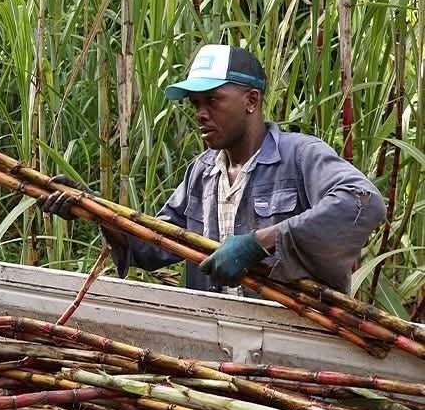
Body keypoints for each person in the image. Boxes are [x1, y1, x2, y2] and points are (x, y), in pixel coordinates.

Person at [49, 44, 385, 294]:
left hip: (291, 339)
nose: (200, 113)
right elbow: (155, 245)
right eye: (195, 104)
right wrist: (94, 210)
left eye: (212, 100)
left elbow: (362, 202)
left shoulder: (299, 156)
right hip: (217, 338)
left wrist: (260, 242)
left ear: (251, 101)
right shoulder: (202, 173)